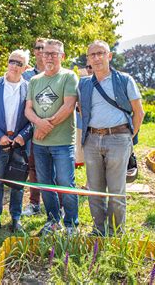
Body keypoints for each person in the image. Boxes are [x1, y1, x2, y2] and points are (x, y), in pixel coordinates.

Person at [78, 40, 144, 236]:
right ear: (88, 59)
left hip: (119, 138)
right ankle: (98, 230)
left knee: (116, 192)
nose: (97, 57)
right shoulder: (83, 84)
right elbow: (82, 110)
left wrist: (128, 137)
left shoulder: (124, 80)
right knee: (95, 190)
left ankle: (116, 233)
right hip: (92, 140)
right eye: (93, 55)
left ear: (109, 56)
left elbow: (138, 112)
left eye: (101, 53)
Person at [25, 39, 79, 236]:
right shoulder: (34, 81)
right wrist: (39, 124)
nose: (49, 56)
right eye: (46, 53)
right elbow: (28, 109)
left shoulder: (68, 77)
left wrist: (46, 127)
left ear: (62, 56)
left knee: (66, 183)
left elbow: (68, 106)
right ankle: (53, 221)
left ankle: (72, 224)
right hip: (39, 144)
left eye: (54, 53)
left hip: (62, 143)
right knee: (45, 183)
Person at [0, 50, 33, 236]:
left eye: (19, 63)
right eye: (11, 61)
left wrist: (23, 136)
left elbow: (33, 118)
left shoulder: (29, 88)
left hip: (19, 144)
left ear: (25, 68)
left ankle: (16, 218)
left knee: (17, 184)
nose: (13, 65)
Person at [21, 37, 46, 217]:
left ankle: (57, 206)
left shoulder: (59, 74)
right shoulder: (26, 76)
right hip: (31, 127)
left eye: (44, 48)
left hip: (54, 126)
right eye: (37, 48)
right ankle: (34, 203)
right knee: (33, 168)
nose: (40, 51)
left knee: (54, 169)